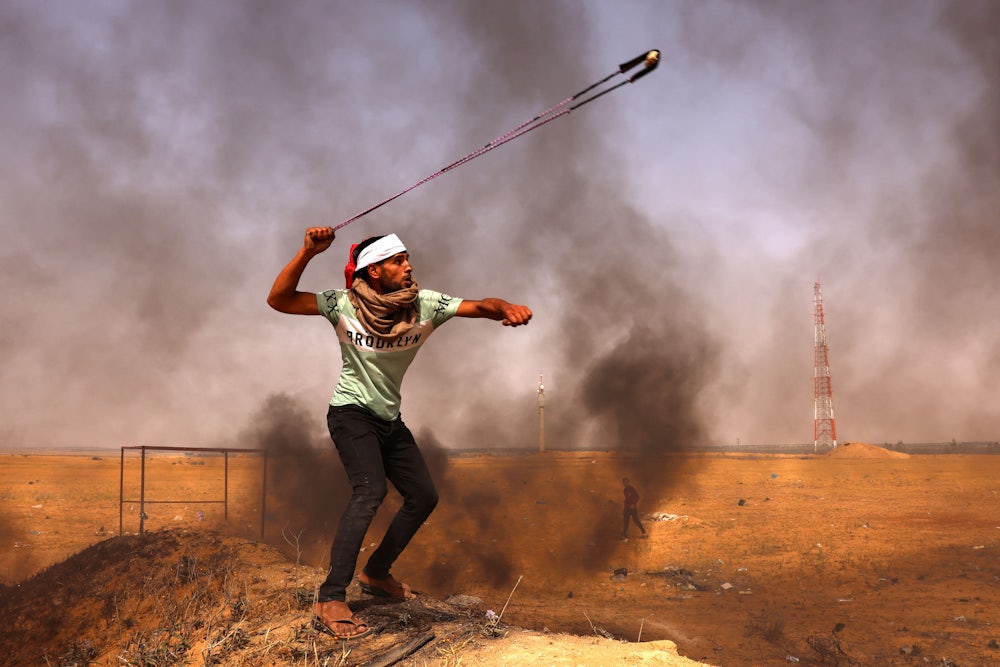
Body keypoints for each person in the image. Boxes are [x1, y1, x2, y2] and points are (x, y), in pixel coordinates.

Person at [267, 227, 532, 640]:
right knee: (369, 490)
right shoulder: (343, 304)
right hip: (350, 413)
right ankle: (330, 596)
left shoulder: (424, 305)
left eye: (407, 259)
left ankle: (375, 573)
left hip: (388, 418)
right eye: (398, 261)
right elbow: (279, 300)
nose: (408, 267)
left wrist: (505, 307)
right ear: (374, 271)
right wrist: (306, 253)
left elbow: (481, 305)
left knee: (424, 496)